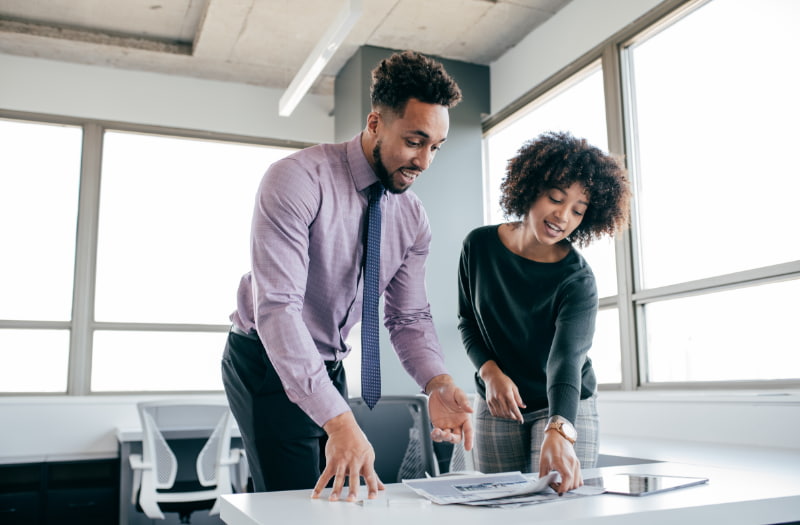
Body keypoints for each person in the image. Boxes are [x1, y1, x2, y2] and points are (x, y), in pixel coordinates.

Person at [222, 50, 473, 503]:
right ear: (375, 123)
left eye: (435, 147)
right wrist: (338, 420)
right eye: (415, 141)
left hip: (329, 363)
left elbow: (409, 317)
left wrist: (437, 381)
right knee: (293, 503)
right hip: (265, 360)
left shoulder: (412, 218)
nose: (424, 162)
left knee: (340, 499)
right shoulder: (297, 180)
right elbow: (278, 309)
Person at [457, 131, 630, 494]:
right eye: (556, 198)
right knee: (497, 506)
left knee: (560, 508)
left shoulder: (577, 280)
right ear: (532, 187)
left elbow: (566, 360)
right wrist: (490, 374)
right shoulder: (479, 246)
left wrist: (560, 427)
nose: (563, 216)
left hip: (565, 401)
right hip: (498, 399)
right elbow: (468, 322)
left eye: (578, 211)